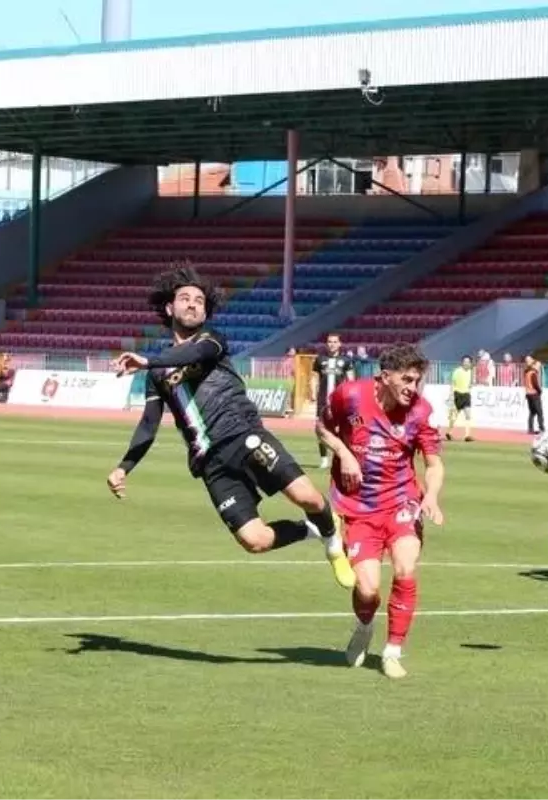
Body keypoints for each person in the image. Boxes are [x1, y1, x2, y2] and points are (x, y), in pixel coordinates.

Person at [106, 265, 354, 589]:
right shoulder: (156, 374)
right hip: (210, 463)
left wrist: (148, 360)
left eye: (199, 300)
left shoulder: (211, 341)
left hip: (244, 435)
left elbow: (195, 352)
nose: (194, 304)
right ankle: (311, 530)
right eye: (185, 298)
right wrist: (124, 467)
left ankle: (333, 538)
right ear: (169, 308)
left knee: (307, 496)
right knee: (255, 540)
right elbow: (149, 424)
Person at [316, 343, 445, 680]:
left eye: (417, 381)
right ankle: (364, 625)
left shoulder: (421, 411)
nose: (412, 388)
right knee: (368, 589)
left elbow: (433, 463)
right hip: (358, 508)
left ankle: (392, 651)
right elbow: (322, 428)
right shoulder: (351, 396)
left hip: (402, 502)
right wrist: (344, 453)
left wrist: (430, 495)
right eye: (406, 379)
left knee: (405, 568)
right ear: (384, 376)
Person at [310, 333, 355, 469]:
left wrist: (350, 397)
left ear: (340, 344)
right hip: (323, 401)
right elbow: (314, 377)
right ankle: (324, 459)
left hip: (340, 401)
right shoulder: (320, 360)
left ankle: (342, 456)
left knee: (342, 430)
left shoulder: (346, 361)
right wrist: (312, 392)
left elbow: (351, 381)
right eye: (330, 342)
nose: (332, 344)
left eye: (335, 342)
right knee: (321, 429)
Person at [445, 355, 474, 442]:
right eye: (465, 362)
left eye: (468, 362)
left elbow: (470, 383)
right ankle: (449, 432)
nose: (466, 363)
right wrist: (451, 395)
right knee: (454, 416)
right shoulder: (457, 371)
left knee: (468, 414)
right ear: (462, 362)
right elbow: (452, 383)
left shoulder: (470, 372)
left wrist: (471, 385)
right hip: (458, 394)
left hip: (466, 394)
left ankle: (467, 435)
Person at [523, 355, 544, 435]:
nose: (539, 367)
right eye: (538, 365)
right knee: (539, 412)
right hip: (534, 394)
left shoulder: (527, 372)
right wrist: (539, 391)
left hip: (528, 394)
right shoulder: (533, 373)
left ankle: (530, 429)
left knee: (532, 412)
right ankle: (541, 428)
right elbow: (535, 384)